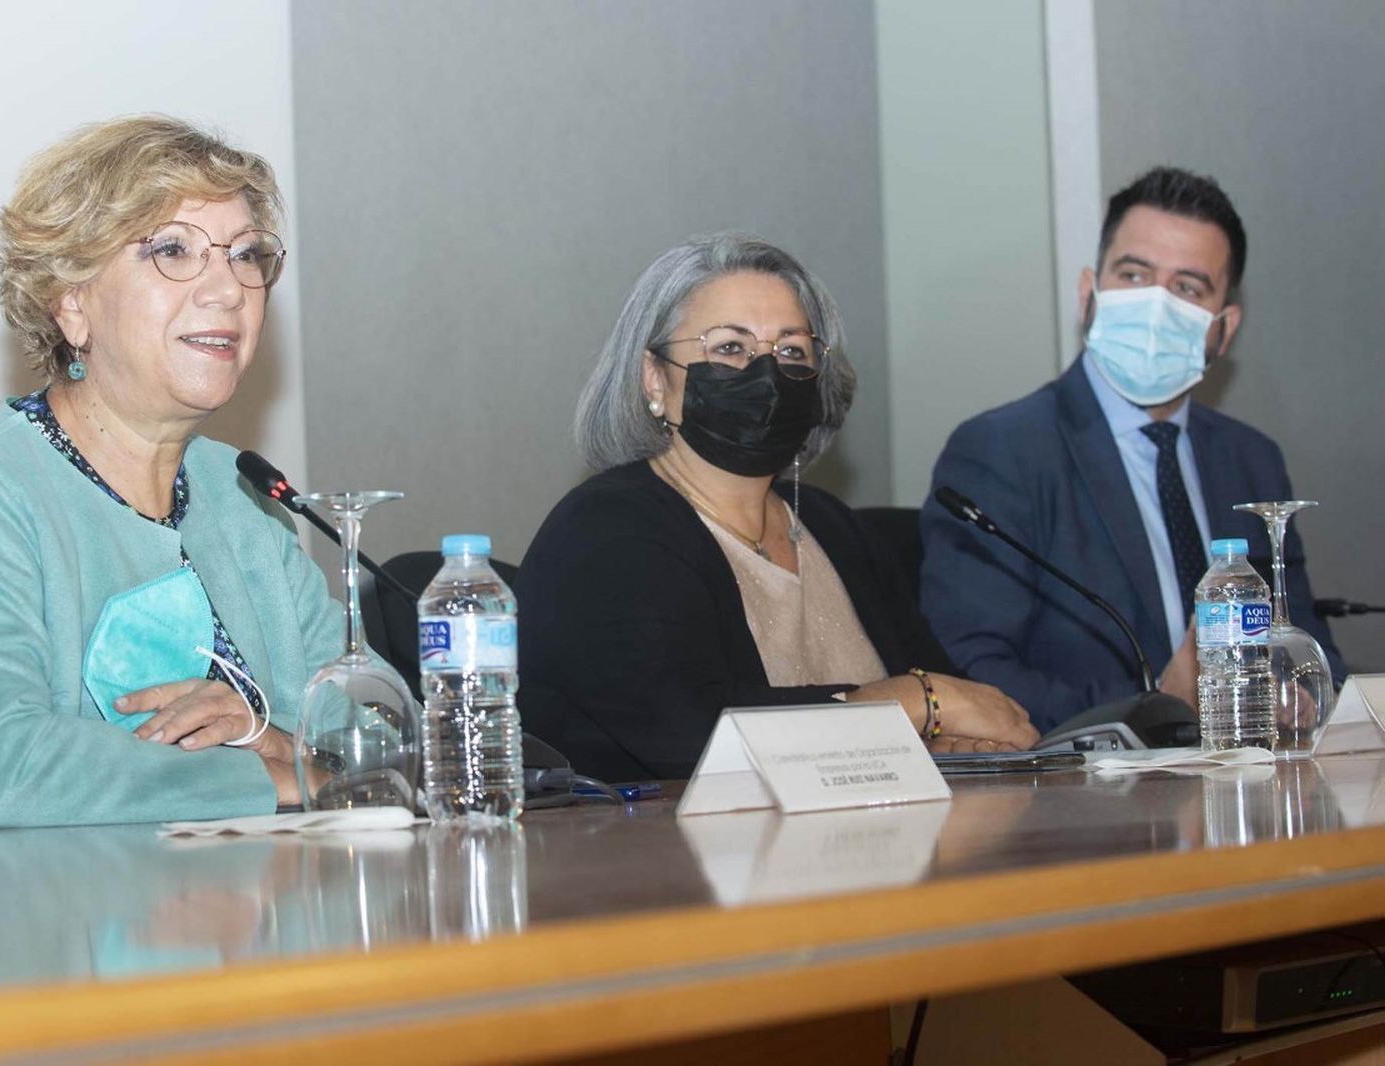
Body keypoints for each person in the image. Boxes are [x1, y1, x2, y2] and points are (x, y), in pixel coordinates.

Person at [0, 116, 342, 835]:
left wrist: (271, 739)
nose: (229, 290)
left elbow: (376, 739)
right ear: (72, 303)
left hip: (260, 896)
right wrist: (279, 777)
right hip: (0, 903)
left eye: (246, 255)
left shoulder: (246, 496)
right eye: (173, 250)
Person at [517, 234, 1038, 782]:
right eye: (729, 349)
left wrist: (947, 729)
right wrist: (912, 703)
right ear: (655, 377)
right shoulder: (605, 534)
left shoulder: (833, 527)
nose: (765, 375)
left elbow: (958, 704)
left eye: (791, 351)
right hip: (667, 836)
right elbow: (689, 737)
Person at [920, 166, 1345, 735]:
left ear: (1224, 328)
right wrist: (1158, 708)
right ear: (1088, 294)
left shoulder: (1250, 459)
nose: (1155, 306)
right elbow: (971, 675)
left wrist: (1302, 695)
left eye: (1187, 288)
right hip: (1090, 783)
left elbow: (1311, 646)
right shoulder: (1001, 451)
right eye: (1134, 275)